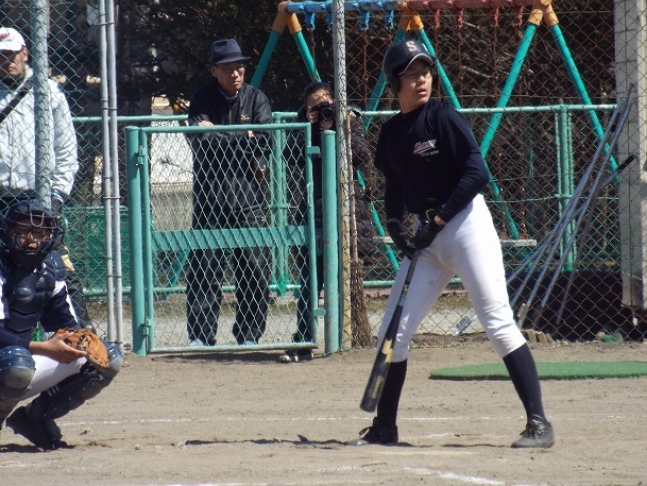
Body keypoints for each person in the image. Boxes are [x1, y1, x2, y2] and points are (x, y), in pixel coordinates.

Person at [347, 39, 554, 448]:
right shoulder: (391, 133)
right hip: (427, 239)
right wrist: (396, 225)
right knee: (393, 334)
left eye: (424, 71)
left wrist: (439, 218)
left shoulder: (442, 118)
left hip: (465, 227)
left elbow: (477, 173)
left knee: (497, 323)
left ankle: (539, 424)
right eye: (411, 73)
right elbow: (393, 185)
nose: (421, 79)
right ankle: (385, 428)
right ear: (394, 83)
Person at [0, 200, 123, 450]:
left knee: (107, 358)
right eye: (24, 230)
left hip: (13, 362)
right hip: (11, 363)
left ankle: (34, 419)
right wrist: (44, 347)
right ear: (8, 231)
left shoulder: (50, 269)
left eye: (40, 232)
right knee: (17, 365)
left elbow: (66, 324)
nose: (32, 240)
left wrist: (80, 340)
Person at [0, 26, 91, 329]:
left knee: (58, 266)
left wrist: (57, 197)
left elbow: (66, 150)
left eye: (11, 54)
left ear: (25, 53)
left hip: (37, 196)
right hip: (1, 196)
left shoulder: (49, 92)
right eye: (0, 56)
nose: (6, 61)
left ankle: (79, 335)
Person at [185, 38, 273, 346]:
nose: (235, 73)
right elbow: (200, 141)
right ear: (214, 71)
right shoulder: (201, 98)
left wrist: (218, 134)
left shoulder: (256, 99)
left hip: (251, 200)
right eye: (227, 68)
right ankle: (200, 336)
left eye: (239, 67)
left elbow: (265, 142)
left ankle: (249, 335)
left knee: (254, 269)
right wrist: (242, 137)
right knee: (204, 269)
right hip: (211, 199)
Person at [279, 82, 374, 363]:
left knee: (345, 278)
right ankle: (305, 339)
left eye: (326, 104)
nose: (322, 110)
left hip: (346, 210)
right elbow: (290, 156)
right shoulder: (304, 128)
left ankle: (345, 338)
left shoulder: (348, 122)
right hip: (315, 210)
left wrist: (339, 128)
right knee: (311, 280)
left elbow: (361, 156)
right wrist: (311, 128)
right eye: (315, 106)